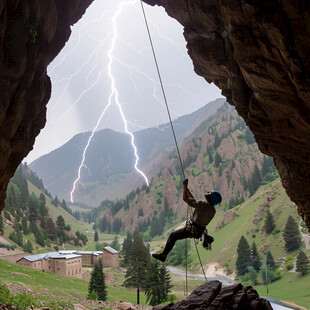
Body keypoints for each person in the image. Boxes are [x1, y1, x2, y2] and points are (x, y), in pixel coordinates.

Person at [152, 179, 222, 262]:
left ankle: (163, 255)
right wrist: (187, 191)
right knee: (174, 236)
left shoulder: (202, 205)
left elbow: (185, 199)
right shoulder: (212, 210)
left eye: (209, 193)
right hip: (197, 232)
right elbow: (196, 202)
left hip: (190, 230)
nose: (208, 192)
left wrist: (184, 186)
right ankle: (163, 255)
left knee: (173, 236)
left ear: (211, 197)